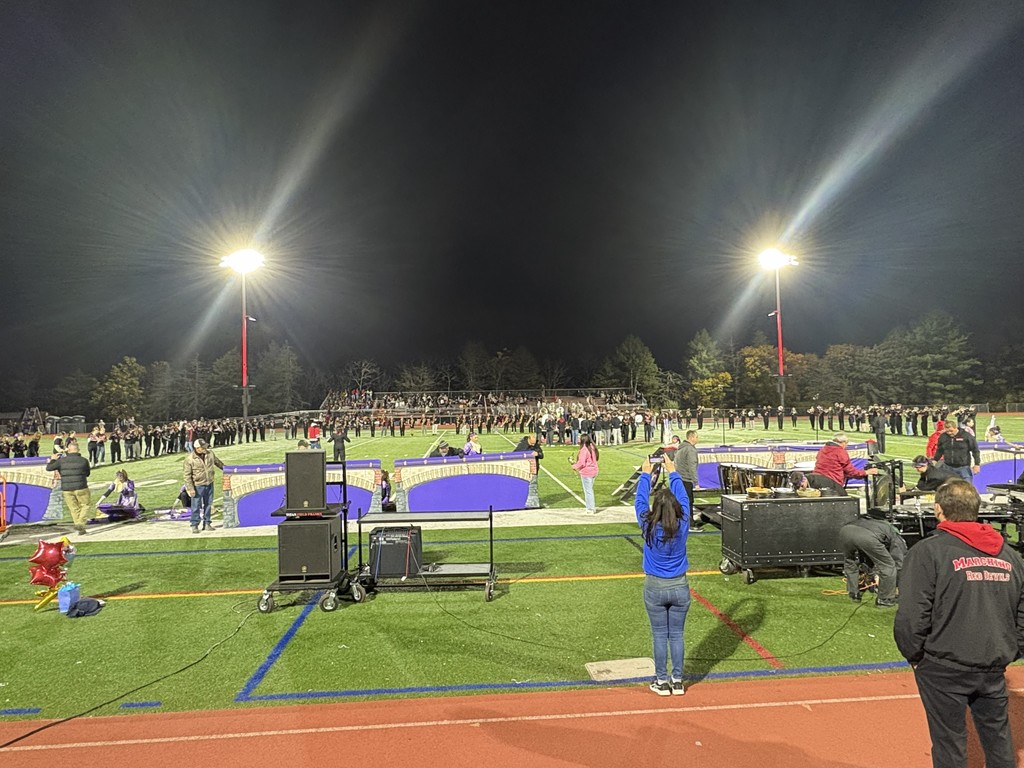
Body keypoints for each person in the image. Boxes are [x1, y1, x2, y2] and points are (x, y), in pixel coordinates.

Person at [894, 479, 1024, 768]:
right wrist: (1011, 650)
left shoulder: (928, 551)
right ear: (976, 510)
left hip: (944, 664)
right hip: (993, 663)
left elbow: (912, 614)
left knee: (949, 743)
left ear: (939, 510)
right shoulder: (1011, 555)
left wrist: (914, 655)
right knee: (999, 739)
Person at [634, 454, 691, 696]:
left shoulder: (647, 524)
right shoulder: (684, 522)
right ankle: (677, 680)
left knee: (659, 635)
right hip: (680, 586)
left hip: (655, 587)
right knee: (676, 635)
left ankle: (661, 680)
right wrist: (673, 470)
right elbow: (685, 499)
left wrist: (646, 474)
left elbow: (639, 501)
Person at [838, 510, 907, 607]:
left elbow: (866, 555)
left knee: (850, 561)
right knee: (888, 566)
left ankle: (853, 593)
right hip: (867, 536)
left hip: (845, 531)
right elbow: (899, 558)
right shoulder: (891, 529)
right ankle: (885, 600)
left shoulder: (864, 520)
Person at [45, 441, 92, 535]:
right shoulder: (83, 460)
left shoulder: (62, 461)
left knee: (74, 508)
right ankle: (80, 523)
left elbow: (49, 468)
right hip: (81, 486)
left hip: (67, 488)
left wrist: (53, 459)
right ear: (78, 450)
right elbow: (87, 473)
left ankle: (79, 528)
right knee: (85, 505)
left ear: (68, 450)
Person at [811, 432, 879, 495]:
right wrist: (866, 472)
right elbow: (851, 471)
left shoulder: (823, 449)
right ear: (843, 442)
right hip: (832, 483)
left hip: (817, 480)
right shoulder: (840, 452)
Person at [183, 438, 224, 533]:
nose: (205, 448)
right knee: (195, 506)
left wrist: (227, 470)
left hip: (209, 483)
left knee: (208, 504)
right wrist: (190, 488)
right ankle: (194, 524)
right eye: (203, 447)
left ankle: (207, 523)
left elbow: (218, 463)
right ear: (197, 448)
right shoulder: (189, 459)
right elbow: (187, 476)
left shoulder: (210, 454)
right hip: (198, 485)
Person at [675, 430, 700, 525]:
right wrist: (696, 482)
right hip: (686, 479)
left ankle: (680, 521)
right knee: (688, 501)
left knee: (680, 501)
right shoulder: (690, 450)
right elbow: (692, 466)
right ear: (692, 437)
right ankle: (689, 523)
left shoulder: (681, 448)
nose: (697, 439)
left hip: (679, 478)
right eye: (696, 437)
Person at [570, 433, 599, 512]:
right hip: (594, 471)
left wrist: (574, 466)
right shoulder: (592, 447)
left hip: (587, 472)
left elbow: (581, 463)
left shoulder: (584, 450)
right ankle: (591, 507)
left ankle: (590, 508)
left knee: (588, 491)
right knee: (590, 490)